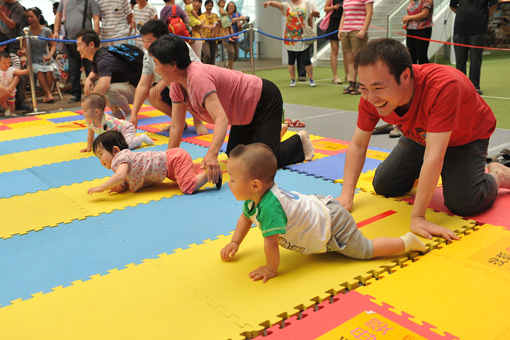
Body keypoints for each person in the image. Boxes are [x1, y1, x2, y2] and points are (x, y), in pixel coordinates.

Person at [337, 38, 510, 243]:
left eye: (378, 88)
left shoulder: (443, 86)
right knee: (384, 185)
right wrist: (346, 195)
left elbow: (434, 156)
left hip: (466, 138)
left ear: (405, 76)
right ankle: (430, 175)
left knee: (463, 203)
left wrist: (418, 216)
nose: (370, 97)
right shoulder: (370, 96)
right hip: (421, 136)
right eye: (363, 88)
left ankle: (498, 174)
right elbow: (358, 144)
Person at [220, 143, 427, 283]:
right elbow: (245, 218)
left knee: (365, 250)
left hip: (333, 223)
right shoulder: (253, 200)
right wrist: (235, 242)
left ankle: (406, 242)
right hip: (319, 208)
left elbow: (272, 243)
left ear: (255, 185)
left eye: (232, 179)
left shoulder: (270, 208)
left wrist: (271, 269)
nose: (229, 184)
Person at [148, 35, 315, 185]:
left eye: (156, 63)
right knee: (235, 156)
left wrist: (211, 155)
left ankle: (299, 143)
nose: (155, 70)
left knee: (263, 163)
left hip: (263, 100)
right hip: (242, 113)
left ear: (172, 65)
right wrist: (168, 161)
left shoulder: (198, 78)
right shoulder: (177, 86)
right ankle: (268, 137)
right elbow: (177, 125)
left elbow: (221, 119)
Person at [129, 19, 208, 137]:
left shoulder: (178, 46)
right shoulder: (147, 55)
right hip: (172, 89)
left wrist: (163, 82)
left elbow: (190, 74)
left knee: (184, 86)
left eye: (149, 41)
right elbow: (142, 84)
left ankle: (198, 121)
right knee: (152, 93)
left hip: (192, 86)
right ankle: (178, 120)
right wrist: (134, 114)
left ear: (162, 38)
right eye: (144, 41)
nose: (146, 45)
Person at [87, 130, 220, 195]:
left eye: (101, 154)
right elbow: (126, 177)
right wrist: (121, 186)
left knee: (187, 187)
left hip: (174, 160)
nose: (101, 160)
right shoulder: (124, 158)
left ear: (115, 150)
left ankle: (211, 173)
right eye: (98, 157)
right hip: (171, 164)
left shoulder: (120, 158)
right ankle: (196, 168)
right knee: (179, 179)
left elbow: (120, 176)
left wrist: (102, 187)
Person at [77, 29, 139, 120]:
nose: (78, 49)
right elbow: (94, 72)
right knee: (94, 83)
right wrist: (88, 79)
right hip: (126, 86)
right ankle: (116, 112)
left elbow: (103, 86)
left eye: (79, 45)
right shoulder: (99, 55)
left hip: (137, 90)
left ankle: (129, 113)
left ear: (91, 44)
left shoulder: (104, 59)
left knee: (106, 88)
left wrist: (88, 103)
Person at [54, 0, 100, 103]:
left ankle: (94, 93)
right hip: (71, 40)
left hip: (87, 42)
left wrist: (96, 36)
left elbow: (96, 18)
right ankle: (76, 93)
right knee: (73, 70)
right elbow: (58, 16)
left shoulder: (90, 1)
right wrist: (56, 31)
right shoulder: (64, 1)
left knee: (91, 68)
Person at [263, 0, 317, 88]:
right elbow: (278, 5)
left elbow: (309, 17)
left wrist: (310, 28)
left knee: (306, 59)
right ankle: (293, 79)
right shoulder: (286, 5)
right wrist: (270, 3)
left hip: (303, 35)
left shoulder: (306, 3)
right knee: (291, 59)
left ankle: (311, 78)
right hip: (290, 37)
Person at [450, 0, 498, 95]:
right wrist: (463, 15)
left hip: (478, 29)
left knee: (475, 59)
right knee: (460, 60)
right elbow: (452, 6)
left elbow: (494, 5)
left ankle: (474, 86)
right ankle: (461, 85)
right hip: (460, 28)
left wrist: (483, 17)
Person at [80, 93, 154, 153]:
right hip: (117, 133)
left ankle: (141, 138)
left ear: (96, 111)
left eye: (85, 110)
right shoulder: (89, 121)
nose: (83, 113)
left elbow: (113, 136)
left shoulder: (107, 121)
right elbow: (90, 134)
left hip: (125, 129)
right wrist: (89, 146)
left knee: (126, 146)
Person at [20, 8, 58, 104]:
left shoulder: (46, 30)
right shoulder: (26, 31)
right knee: (39, 71)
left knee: (49, 71)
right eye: (28, 17)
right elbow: (24, 48)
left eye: (31, 16)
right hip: (32, 59)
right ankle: (49, 94)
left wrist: (50, 55)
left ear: (38, 17)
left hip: (46, 57)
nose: (29, 19)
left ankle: (47, 94)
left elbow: (53, 45)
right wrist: (22, 52)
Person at [338, 0, 373, 95]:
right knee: (350, 59)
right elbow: (344, 15)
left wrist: (364, 29)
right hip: (345, 31)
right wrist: (340, 30)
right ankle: (352, 83)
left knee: (359, 60)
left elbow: (369, 13)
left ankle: (362, 85)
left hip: (357, 31)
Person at [403, 0, 433, 65]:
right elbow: (411, 12)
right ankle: (413, 74)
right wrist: (407, 21)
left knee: (421, 56)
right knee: (411, 56)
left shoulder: (426, 1)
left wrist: (409, 17)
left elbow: (424, 14)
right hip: (411, 30)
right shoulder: (412, 1)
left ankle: (424, 74)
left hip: (423, 29)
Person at [0, 51, 28, 116]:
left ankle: (12, 112)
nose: (7, 65)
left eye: (8, 62)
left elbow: (19, 72)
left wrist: (26, 70)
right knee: (2, 101)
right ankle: (7, 109)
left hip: (11, 90)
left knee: (12, 102)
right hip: (1, 91)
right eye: (4, 63)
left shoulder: (11, 69)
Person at [324, 0, 345, 84]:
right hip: (334, 22)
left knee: (347, 51)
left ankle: (348, 75)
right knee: (334, 50)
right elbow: (325, 8)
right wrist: (333, 7)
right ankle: (335, 76)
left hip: (346, 22)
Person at [224, 1, 248, 70]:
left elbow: (244, 18)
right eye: (229, 6)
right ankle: (231, 69)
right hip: (226, 37)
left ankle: (227, 64)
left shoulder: (237, 14)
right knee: (231, 52)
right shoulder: (225, 15)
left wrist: (236, 20)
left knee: (236, 56)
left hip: (235, 37)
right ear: (227, 7)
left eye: (232, 6)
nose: (231, 7)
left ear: (234, 8)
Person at [200, 0, 219, 65]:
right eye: (208, 5)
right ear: (205, 6)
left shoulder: (215, 16)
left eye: (210, 6)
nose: (209, 7)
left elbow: (218, 23)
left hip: (213, 37)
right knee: (207, 54)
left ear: (212, 7)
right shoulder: (202, 15)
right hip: (204, 38)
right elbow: (201, 25)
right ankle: (204, 68)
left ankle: (212, 70)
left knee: (213, 56)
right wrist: (209, 26)